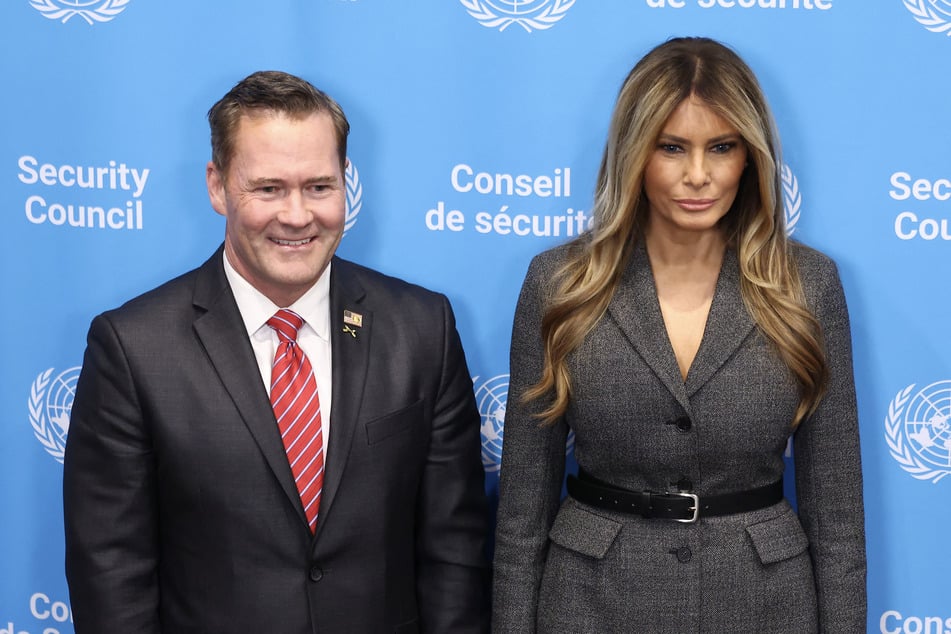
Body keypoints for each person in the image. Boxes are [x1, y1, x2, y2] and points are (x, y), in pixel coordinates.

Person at [63, 70, 489, 633]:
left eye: (319, 186)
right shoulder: (133, 347)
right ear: (217, 186)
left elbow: (454, 550)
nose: (296, 215)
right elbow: (111, 573)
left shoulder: (422, 327)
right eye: (268, 188)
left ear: (346, 183)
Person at [492, 37, 866, 633]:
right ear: (634, 153)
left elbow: (837, 514)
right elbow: (521, 513)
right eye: (672, 148)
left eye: (722, 147)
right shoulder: (559, 283)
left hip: (764, 605)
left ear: (751, 157)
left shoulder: (809, 286)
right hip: (591, 602)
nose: (699, 175)